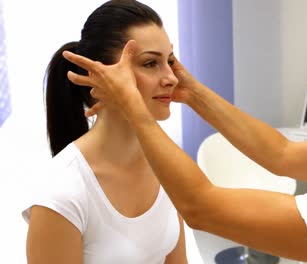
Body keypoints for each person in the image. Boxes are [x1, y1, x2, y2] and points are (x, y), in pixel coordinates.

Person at [63, 1, 307, 263]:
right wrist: (193, 93)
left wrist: (136, 109)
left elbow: (201, 208)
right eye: (154, 63)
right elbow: (282, 155)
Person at [22, 1, 187, 263]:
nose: (172, 78)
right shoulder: (62, 192)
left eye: (169, 60)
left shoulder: (165, 163)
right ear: (97, 75)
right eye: (150, 63)